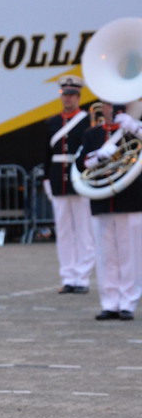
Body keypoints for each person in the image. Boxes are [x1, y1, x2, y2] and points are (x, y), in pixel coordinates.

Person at [76, 102, 142, 321]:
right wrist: (99, 156)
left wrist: (135, 127)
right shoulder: (92, 134)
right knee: (106, 256)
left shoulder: (134, 129)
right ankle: (109, 302)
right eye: (108, 104)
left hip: (131, 199)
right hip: (102, 200)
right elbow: (81, 163)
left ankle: (128, 302)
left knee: (130, 254)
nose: (112, 108)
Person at [43, 75, 95, 294]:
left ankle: (82, 278)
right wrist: (46, 178)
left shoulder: (88, 121)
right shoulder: (52, 122)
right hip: (58, 180)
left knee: (84, 232)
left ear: (79, 96)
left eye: (72, 95)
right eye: (65, 94)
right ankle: (68, 276)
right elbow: (47, 154)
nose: (68, 98)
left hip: (80, 179)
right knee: (64, 232)